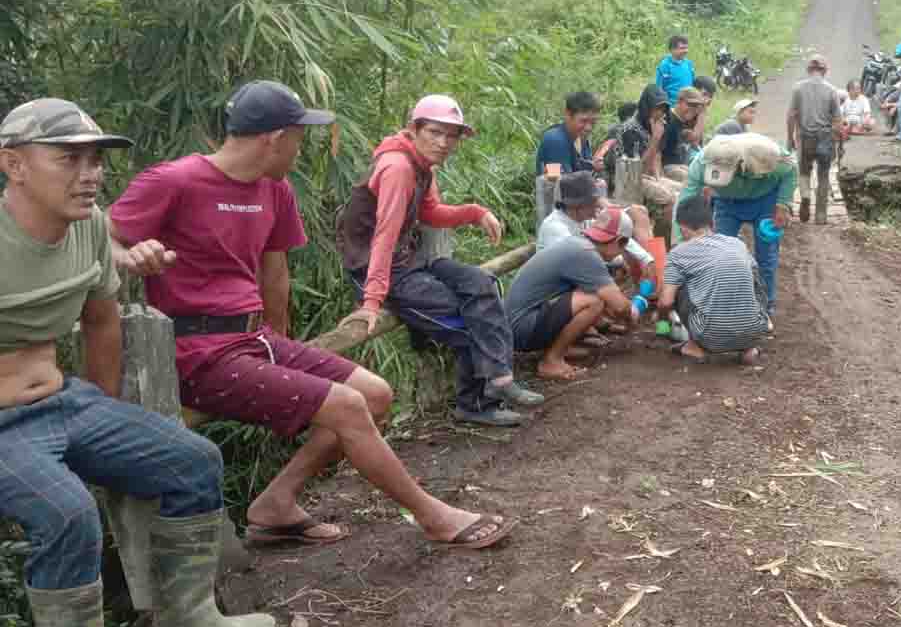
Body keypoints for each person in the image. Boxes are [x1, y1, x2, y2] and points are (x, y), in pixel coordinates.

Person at [111, 80, 514, 551]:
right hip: (194, 351)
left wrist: (277, 344)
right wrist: (127, 255)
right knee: (346, 406)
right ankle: (433, 515)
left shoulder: (275, 190)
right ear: (275, 138)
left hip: (252, 339)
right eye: (299, 138)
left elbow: (274, 270)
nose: (301, 150)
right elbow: (103, 234)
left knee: (375, 394)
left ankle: (276, 503)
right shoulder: (173, 181)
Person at [0, 98, 274, 627]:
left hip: (64, 401)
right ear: (14, 164)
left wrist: (101, 418)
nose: (90, 175)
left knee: (195, 463)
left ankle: (190, 615)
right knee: (68, 513)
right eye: (68, 159)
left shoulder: (89, 228)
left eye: (96, 161)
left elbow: (103, 321)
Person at [334, 94, 536, 428]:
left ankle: (501, 378)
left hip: (410, 258)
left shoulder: (421, 165)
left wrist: (475, 212)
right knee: (464, 316)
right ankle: (474, 404)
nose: (444, 143)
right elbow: (384, 235)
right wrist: (371, 300)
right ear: (414, 130)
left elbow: (430, 212)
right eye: (434, 132)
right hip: (374, 266)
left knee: (481, 284)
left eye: (452, 135)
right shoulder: (397, 167)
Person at [506, 206, 639, 381]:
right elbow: (620, 306)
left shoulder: (578, 244)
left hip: (512, 324)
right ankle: (551, 361)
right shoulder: (586, 255)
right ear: (620, 241)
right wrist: (632, 316)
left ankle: (561, 346)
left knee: (595, 294)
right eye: (623, 246)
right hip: (520, 329)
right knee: (595, 300)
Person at [678, 132, 796, 316]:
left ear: (740, 165)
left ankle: (765, 304)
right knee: (718, 254)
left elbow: (791, 170)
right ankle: (723, 302)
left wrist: (783, 204)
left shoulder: (766, 154)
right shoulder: (700, 164)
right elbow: (685, 201)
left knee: (765, 256)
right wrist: (680, 241)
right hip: (726, 202)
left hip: (764, 200)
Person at [660, 195, 769, 365]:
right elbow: (757, 284)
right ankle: (749, 348)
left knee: (678, 286)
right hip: (754, 332)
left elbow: (666, 302)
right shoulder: (737, 243)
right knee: (753, 278)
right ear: (712, 224)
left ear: (683, 229)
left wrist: (662, 322)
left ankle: (694, 347)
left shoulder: (678, 254)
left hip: (709, 337)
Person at [537, 171, 657, 284]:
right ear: (577, 206)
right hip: (555, 286)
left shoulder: (581, 219)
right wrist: (618, 260)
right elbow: (579, 261)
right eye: (593, 204)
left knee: (626, 249)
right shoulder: (555, 228)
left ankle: (651, 286)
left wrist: (646, 259)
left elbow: (617, 235)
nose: (597, 208)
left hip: (578, 273)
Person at [786, 54, 841, 224]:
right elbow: (837, 121)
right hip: (825, 137)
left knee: (803, 172)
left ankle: (805, 196)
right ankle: (821, 215)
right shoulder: (832, 91)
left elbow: (791, 115)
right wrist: (836, 141)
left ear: (809, 70)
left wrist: (790, 137)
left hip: (805, 137)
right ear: (824, 71)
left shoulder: (798, 88)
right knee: (823, 175)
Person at [607, 84, 681, 208]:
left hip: (645, 175)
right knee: (670, 198)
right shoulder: (630, 130)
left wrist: (658, 178)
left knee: (684, 191)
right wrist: (655, 139)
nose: (660, 113)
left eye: (663, 109)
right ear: (646, 107)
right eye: (657, 108)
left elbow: (657, 157)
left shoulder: (654, 124)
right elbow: (636, 171)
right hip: (624, 179)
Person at [535, 91, 601, 176]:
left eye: (593, 122)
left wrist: (592, 166)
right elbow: (557, 180)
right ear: (568, 114)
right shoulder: (554, 140)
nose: (589, 128)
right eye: (583, 121)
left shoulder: (581, 139)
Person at [663, 86, 708, 181]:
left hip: (680, 165)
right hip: (667, 166)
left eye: (696, 106)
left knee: (707, 175)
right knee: (695, 179)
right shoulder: (668, 119)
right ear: (679, 101)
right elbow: (657, 153)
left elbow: (694, 141)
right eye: (690, 104)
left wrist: (703, 113)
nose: (693, 109)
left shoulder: (686, 120)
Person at [655, 34, 695, 106]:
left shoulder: (689, 64)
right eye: (682, 48)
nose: (686, 51)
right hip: (672, 107)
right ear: (672, 49)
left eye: (686, 48)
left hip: (688, 106)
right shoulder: (665, 66)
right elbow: (659, 89)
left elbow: (693, 85)